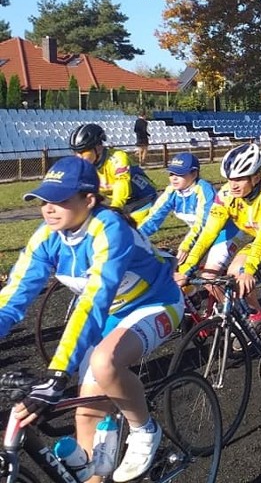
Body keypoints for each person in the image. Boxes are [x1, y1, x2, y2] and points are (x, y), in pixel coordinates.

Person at [0, 157, 183, 482]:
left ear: (88, 199)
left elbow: (93, 300)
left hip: (157, 303)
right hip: (110, 318)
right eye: (44, 200)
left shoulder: (109, 228)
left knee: (104, 362)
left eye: (60, 200)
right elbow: (13, 298)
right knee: (86, 415)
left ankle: (144, 429)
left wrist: (58, 374)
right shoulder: (46, 238)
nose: (49, 208)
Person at [176, 142, 261, 414]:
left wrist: (250, 269)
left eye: (240, 179)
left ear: (256, 176)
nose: (233, 185)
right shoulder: (225, 195)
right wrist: (187, 269)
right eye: (229, 179)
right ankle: (256, 315)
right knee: (223, 277)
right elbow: (207, 234)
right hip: (258, 244)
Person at [138, 153, 232, 265]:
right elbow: (153, 218)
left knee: (209, 274)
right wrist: (136, 236)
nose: (174, 178)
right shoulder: (171, 191)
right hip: (200, 236)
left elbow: (203, 223)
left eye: (180, 174)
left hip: (224, 233)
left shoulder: (204, 190)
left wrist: (186, 245)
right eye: (171, 173)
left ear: (194, 174)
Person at [69, 123, 157, 224]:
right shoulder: (87, 165)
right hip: (124, 203)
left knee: (132, 233)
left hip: (143, 199)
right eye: (76, 153)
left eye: (83, 152)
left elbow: (122, 183)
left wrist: (115, 207)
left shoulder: (118, 157)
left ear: (98, 148)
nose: (79, 157)